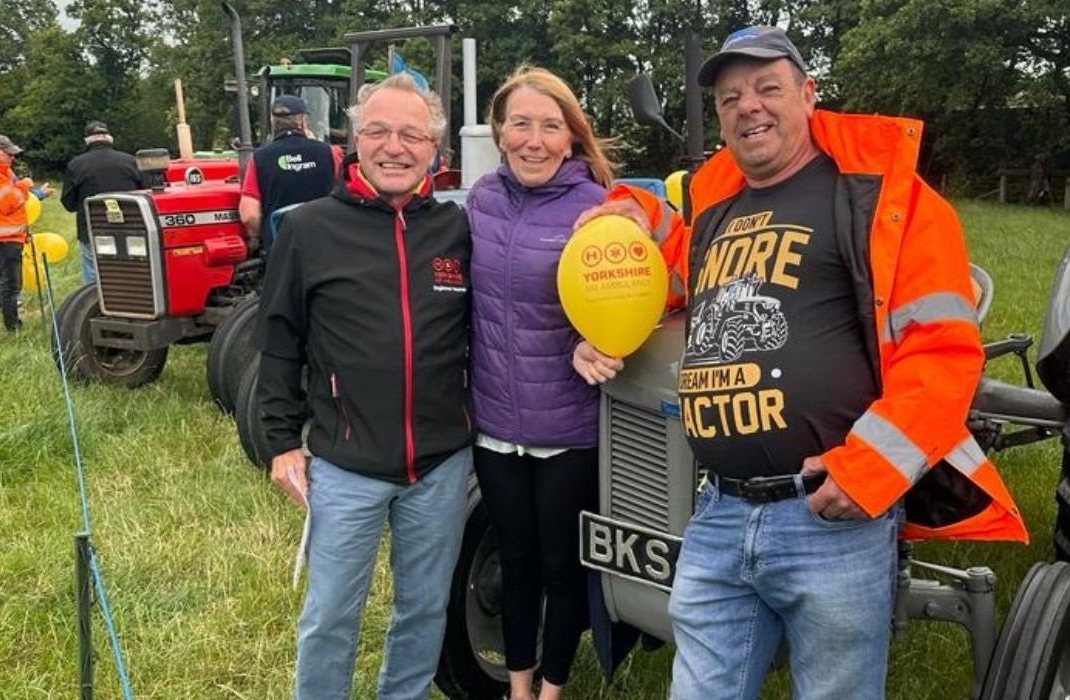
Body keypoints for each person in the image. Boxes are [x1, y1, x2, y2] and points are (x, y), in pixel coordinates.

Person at [579, 26, 1028, 699]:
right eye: (731, 97)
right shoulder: (715, 204)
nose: (747, 106)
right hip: (719, 513)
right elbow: (659, 269)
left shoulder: (887, 202)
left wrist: (871, 470)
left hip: (829, 518)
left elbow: (941, 351)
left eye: (767, 88)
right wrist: (622, 216)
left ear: (808, 94)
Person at [254, 73, 472, 700]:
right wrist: (279, 442)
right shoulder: (309, 229)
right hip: (347, 463)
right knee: (330, 617)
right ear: (352, 140)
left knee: (425, 609)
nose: (394, 147)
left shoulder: (456, 229)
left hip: (440, 463)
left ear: (436, 150)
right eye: (378, 131)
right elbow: (279, 339)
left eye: (412, 134)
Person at [467, 66, 623, 700]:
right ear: (501, 131)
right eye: (521, 123)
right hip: (496, 424)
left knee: (563, 566)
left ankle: (554, 687)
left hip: (569, 427)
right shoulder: (479, 199)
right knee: (518, 560)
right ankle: (519, 685)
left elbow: (639, 295)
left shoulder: (597, 209)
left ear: (572, 137)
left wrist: (605, 340)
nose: (534, 139)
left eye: (550, 126)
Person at [0, 134, 54, 338]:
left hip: (7, 235)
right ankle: (5, 326)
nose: (13, 158)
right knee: (11, 284)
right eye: (9, 154)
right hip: (0, 237)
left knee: (10, 283)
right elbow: (10, 202)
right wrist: (24, 185)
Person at [239, 94, 341, 251]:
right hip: (326, 247)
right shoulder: (330, 153)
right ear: (303, 121)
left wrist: (260, 237)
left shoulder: (259, 158)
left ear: (273, 123)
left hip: (282, 253)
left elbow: (249, 215)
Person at [60, 121, 144, 284]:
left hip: (91, 228)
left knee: (94, 272)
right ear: (109, 138)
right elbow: (147, 192)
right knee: (131, 269)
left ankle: (96, 305)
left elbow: (69, 204)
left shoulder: (76, 164)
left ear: (87, 140)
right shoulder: (131, 161)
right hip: (131, 227)